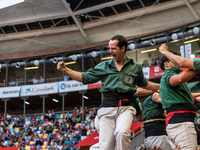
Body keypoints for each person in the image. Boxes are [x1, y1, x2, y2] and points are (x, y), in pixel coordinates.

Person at [57, 35, 160, 150]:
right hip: (107, 107)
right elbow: (85, 78)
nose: (110, 51)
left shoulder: (135, 67)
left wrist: (161, 86)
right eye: (109, 48)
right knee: (106, 147)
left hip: (126, 107)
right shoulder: (104, 66)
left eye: (113, 48)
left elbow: (144, 83)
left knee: (122, 133)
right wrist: (66, 70)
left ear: (123, 48)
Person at [159, 49, 198, 149]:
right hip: (181, 122)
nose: (177, 60)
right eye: (173, 59)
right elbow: (180, 78)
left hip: (182, 121)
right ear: (166, 64)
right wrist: (196, 65)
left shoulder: (173, 77)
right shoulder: (168, 75)